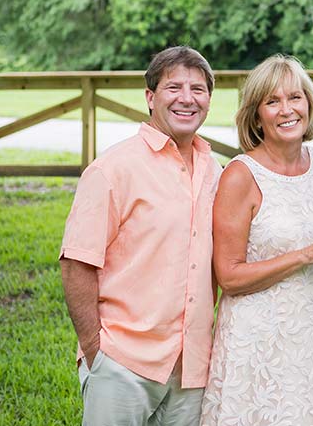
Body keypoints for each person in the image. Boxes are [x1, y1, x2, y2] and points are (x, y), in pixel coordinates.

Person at [60, 46, 222, 426]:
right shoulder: (113, 169)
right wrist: (96, 351)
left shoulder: (215, 171)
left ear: (209, 101)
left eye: (198, 89)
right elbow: (77, 263)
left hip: (192, 368)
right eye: (174, 87)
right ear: (150, 98)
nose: (187, 98)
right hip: (123, 361)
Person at [200, 54, 313, 426]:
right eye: (273, 101)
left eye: (295, 97)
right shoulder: (240, 175)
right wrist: (305, 255)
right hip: (258, 343)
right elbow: (230, 277)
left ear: (309, 104)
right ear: (256, 115)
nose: (287, 110)